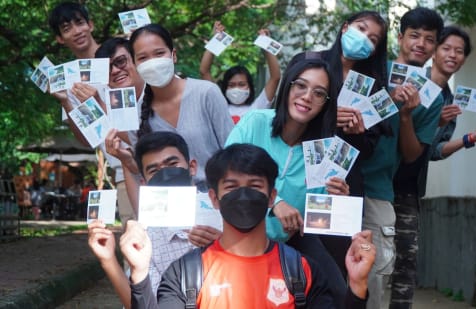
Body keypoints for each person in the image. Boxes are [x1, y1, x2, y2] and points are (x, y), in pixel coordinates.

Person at [122, 143, 375, 308]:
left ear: (272, 196)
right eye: (231, 187)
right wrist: (140, 274)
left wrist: (357, 286)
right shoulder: (185, 274)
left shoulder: (302, 271)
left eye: (254, 186)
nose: (243, 195)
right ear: (214, 198)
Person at [389, 26, 476, 309]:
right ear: (434, 53)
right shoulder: (407, 81)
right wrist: (429, 120)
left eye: (459, 51)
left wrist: (472, 137)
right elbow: (389, 128)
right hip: (380, 181)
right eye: (446, 48)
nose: (452, 55)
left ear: (464, 59)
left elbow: (434, 151)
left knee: (405, 268)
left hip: (409, 189)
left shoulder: (450, 100)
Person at [225, 58, 350, 305]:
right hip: (240, 230)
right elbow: (228, 175)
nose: (307, 97)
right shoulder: (255, 122)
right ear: (287, 87)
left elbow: (317, 217)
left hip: (291, 237)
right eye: (300, 86)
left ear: (326, 104)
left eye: (319, 93)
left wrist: (337, 201)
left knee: (337, 291)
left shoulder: (326, 151)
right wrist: (275, 202)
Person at [286, 11, 390, 279]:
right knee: (289, 250)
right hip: (297, 169)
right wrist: (330, 115)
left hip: (340, 184)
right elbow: (286, 115)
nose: (364, 38)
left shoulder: (373, 87)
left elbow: (367, 149)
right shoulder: (308, 62)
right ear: (345, 27)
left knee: (332, 264)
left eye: (373, 38)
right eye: (361, 29)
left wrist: (356, 132)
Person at [356, 7, 444, 309]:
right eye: (414, 35)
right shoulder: (372, 72)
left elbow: (412, 156)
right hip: (342, 183)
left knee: (375, 276)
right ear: (400, 37)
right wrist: (388, 100)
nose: (420, 43)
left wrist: (406, 116)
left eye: (429, 39)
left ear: (435, 47)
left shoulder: (433, 97)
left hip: (380, 190)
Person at [88, 131, 221, 309]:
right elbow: (140, 303)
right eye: (154, 170)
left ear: (192, 167)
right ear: (144, 182)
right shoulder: (147, 234)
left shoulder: (222, 211)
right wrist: (108, 259)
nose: (166, 173)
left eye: (172, 164)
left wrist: (225, 246)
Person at [105, 23, 234, 194]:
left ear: (173, 55)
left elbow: (233, 152)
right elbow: (143, 171)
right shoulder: (137, 114)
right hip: (167, 207)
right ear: (135, 65)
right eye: (143, 58)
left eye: (159, 53)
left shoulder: (206, 93)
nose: (153, 63)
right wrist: (126, 159)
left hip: (217, 202)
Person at [64, 37, 146, 227]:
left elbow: (142, 139)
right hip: (127, 176)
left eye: (120, 62)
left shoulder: (156, 91)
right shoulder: (103, 96)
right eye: (108, 69)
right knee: (136, 240)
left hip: (163, 174)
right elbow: (87, 137)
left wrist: (99, 105)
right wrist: (65, 101)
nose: (115, 70)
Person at [199, 21, 281, 124]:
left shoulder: (257, 108)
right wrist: (216, 40)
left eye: (242, 84)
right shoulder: (218, 105)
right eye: (231, 85)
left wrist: (266, 44)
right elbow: (204, 71)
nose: (236, 88)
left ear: (250, 87)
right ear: (225, 87)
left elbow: (275, 77)